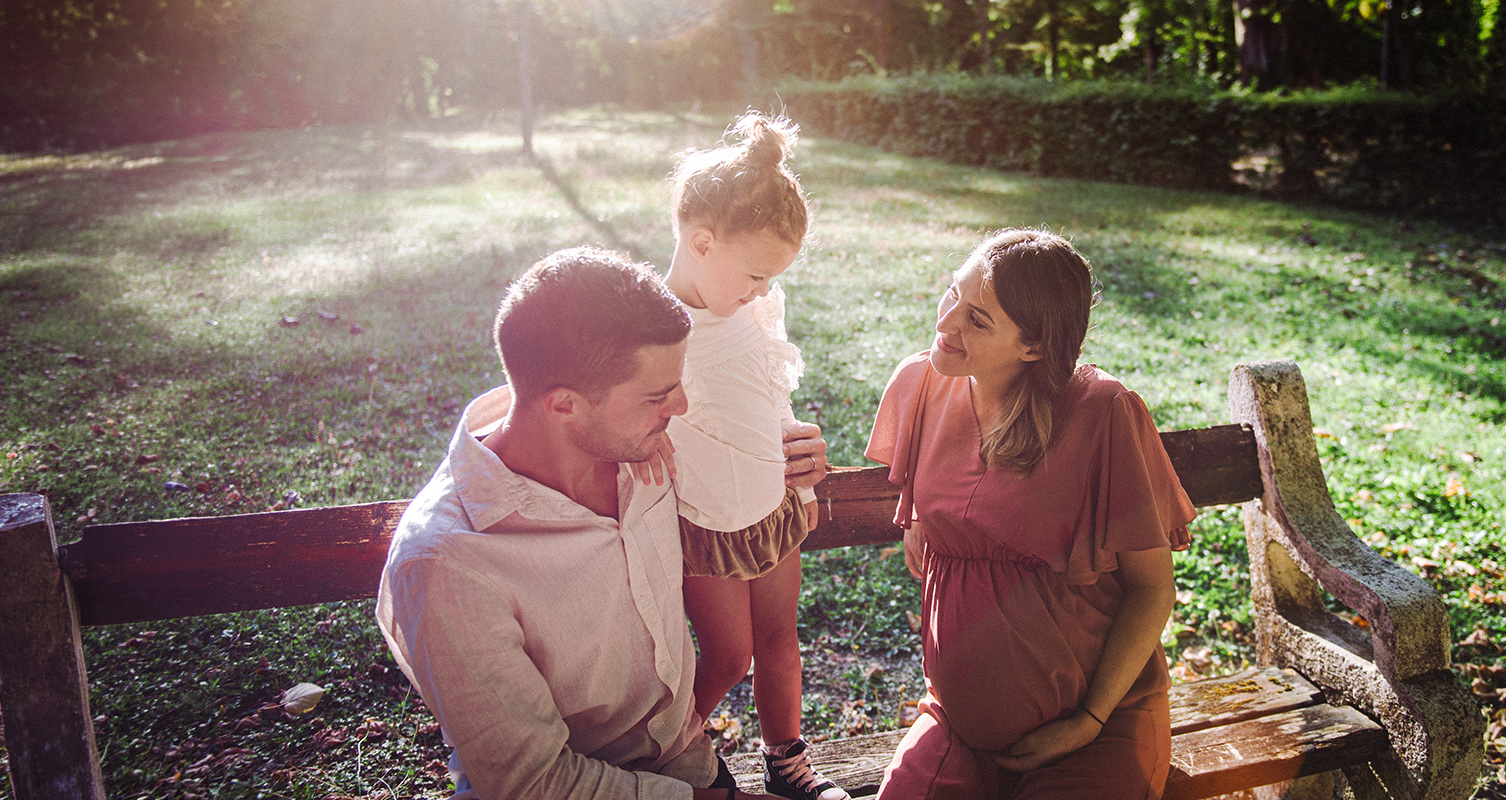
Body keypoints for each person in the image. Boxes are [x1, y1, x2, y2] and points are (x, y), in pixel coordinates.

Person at [375, 246, 812, 800]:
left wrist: (790, 458)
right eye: (658, 395)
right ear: (564, 405)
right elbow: (531, 783)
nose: (680, 407)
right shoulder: (450, 564)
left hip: (691, 762)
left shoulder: (647, 447)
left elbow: (746, 459)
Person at [865, 230, 1196, 799]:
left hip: (1093, 732)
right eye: (952, 295)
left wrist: (1087, 720)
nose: (946, 326)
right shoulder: (919, 385)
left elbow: (1152, 589)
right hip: (956, 725)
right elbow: (932, 529)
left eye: (978, 319)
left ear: (1035, 346)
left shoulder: (1104, 413)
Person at [659, 114, 845, 800]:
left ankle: (786, 762)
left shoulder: (755, 307)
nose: (762, 290)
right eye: (756, 274)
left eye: (773, 277)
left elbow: (771, 390)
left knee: (778, 640)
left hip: (772, 505)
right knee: (728, 654)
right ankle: (664, 750)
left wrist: (802, 458)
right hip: (704, 519)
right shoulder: (657, 328)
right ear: (701, 242)